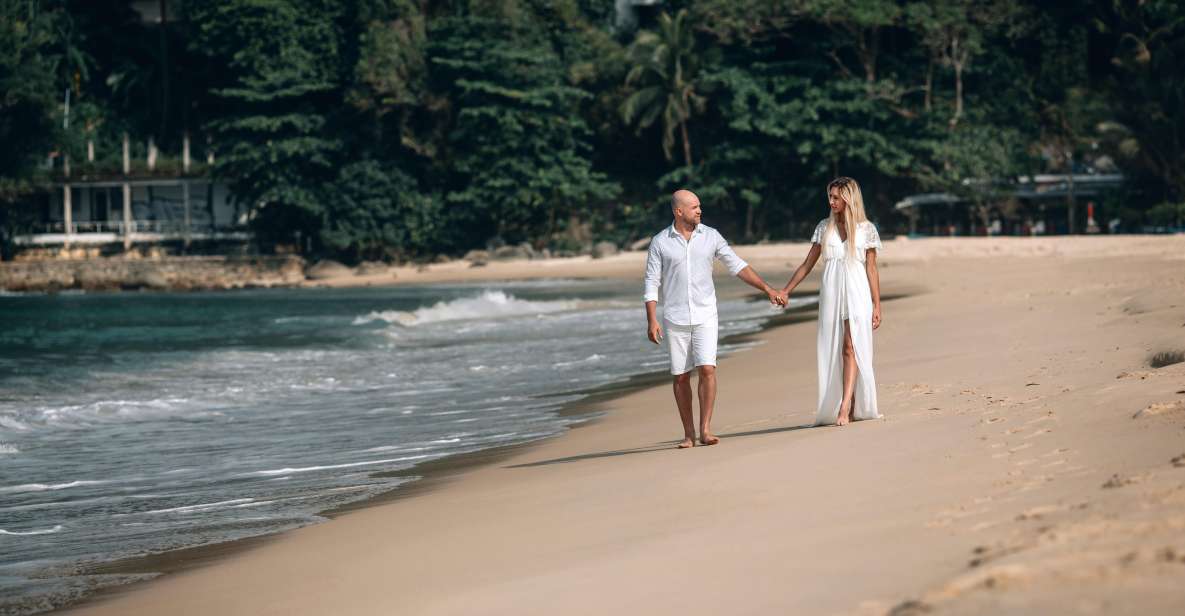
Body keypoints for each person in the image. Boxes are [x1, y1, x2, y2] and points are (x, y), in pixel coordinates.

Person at [643, 189, 785, 448]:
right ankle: (688, 434)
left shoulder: (711, 236)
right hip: (675, 318)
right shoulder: (660, 242)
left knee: (707, 369)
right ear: (679, 211)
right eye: (694, 206)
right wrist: (651, 319)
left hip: (706, 313)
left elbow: (737, 265)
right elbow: (652, 281)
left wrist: (767, 289)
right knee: (681, 376)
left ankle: (705, 429)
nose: (699, 210)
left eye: (699, 206)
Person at [780, 177, 883, 426]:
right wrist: (786, 290)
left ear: (849, 198)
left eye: (836, 197)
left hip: (858, 293)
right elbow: (808, 263)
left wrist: (877, 304)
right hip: (832, 293)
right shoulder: (824, 227)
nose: (831, 201)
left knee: (851, 345)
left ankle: (845, 405)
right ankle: (850, 400)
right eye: (830, 196)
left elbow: (871, 268)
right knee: (836, 348)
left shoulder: (866, 229)